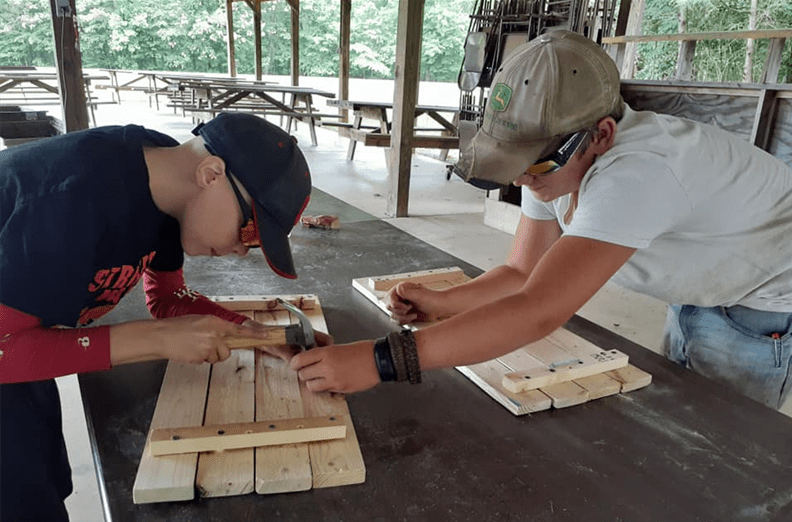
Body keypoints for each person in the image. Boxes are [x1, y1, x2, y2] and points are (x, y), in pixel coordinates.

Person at [290, 30, 792, 414]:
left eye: (537, 163)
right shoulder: (557, 164)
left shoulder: (638, 175)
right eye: (514, 163)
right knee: (680, 411)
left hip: (759, 300)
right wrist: (443, 303)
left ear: (601, 134)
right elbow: (523, 272)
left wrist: (382, 360)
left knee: (721, 439)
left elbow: (538, 311)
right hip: (702, 280)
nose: (525, 180)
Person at [0, 112, 314, 521]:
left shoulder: (167, 183)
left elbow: (167, 297)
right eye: (250, 231)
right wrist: (156, 339)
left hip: (20, 342)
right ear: (211, 174)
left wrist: (254, 334)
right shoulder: (71, 199)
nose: (241, 251)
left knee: (43, 486)